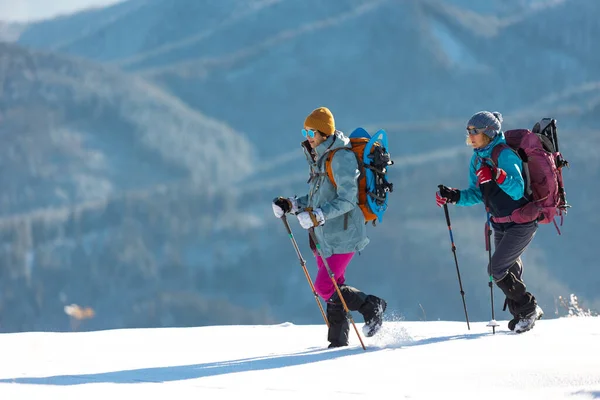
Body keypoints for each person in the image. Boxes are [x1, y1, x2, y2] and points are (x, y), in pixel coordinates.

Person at [272, 106, 387, 348]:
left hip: (343, 234)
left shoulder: (341, 158)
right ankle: (337, 343)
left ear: (324, 133)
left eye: (311, 132)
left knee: (325, 287)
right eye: (305, 131)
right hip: (324, 236)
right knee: (336, 285)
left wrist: (318, 216)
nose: (307, 136)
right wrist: (293, 204)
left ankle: (372, 306)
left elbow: (348, 199)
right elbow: (319, 197)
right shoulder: (320, 157)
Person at [435, 111, 544, 333]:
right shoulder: (477, 158)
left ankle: (529, 308)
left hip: (521, 222)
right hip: (499, 223)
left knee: (496, 269)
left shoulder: (504, 154)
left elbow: (517, 190)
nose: (470, 135)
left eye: (475, 131)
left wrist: (497, 175)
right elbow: (476, 194)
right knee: (509, 269)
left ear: (489, 132)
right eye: (468, 131)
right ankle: (522, 315)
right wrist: (454, 196)